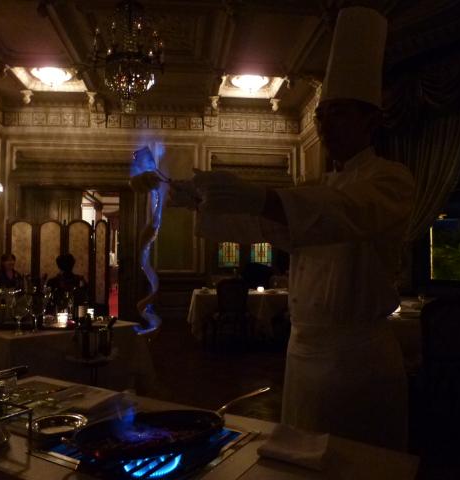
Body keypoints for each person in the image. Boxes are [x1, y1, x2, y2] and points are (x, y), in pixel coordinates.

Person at [131, 6, 414, 451]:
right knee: (301, 457)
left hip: (357, 359)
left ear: (371, 120)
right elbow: (264, 224)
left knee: (357, 460)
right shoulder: (318, 186)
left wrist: (255, 196)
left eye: (338, 113)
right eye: (322, 116)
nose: (325, 125)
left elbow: (341, 213)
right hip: (302, 354)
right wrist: (182, 193)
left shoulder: (390, 180)